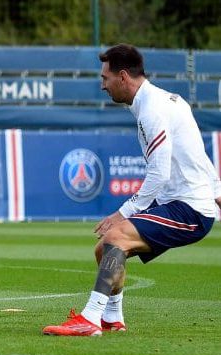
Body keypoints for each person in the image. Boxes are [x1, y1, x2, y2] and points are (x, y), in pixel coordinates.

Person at [43, 43, 217, 336]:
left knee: (115, 236)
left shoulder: (152, 110)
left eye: (105, 78)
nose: (102, 85)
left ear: (123, 77)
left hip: (190, 208)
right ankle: (112, 317)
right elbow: (199, 159)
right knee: (105, 249)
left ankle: (90, 319)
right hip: (188, 204)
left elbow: (159, 172)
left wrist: (122, 213)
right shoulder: (167, 101)